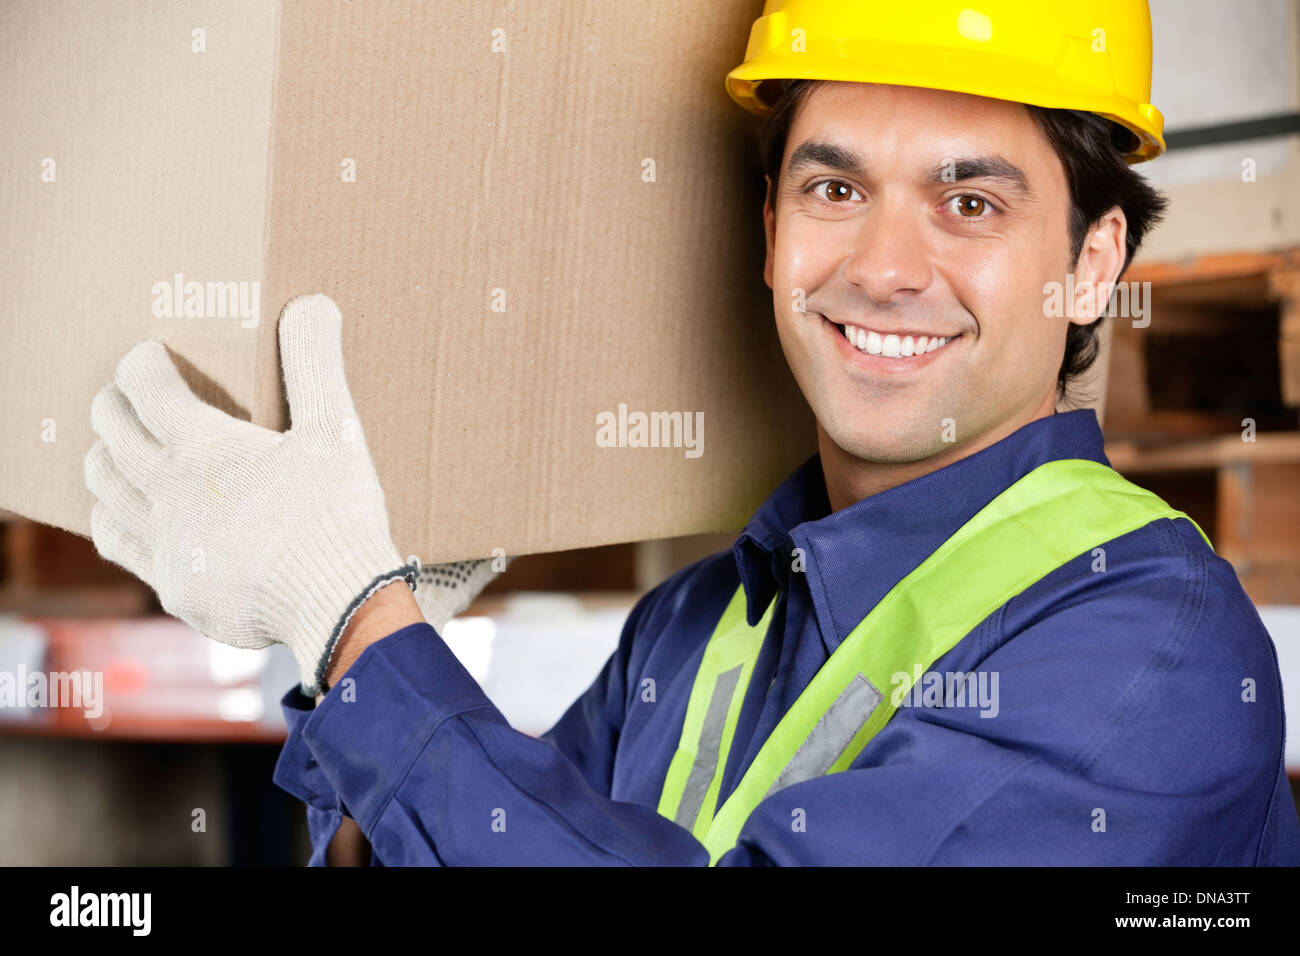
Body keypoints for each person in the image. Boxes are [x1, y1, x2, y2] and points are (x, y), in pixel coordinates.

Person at [85, 0, 1300, 865]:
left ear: (1092, 263)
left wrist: (360, 620)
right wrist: (353, 648)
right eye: (833, 188)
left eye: (968, 201)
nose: (881, 267)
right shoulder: (703, 619)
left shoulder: (1150, 647)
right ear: (769, 226)